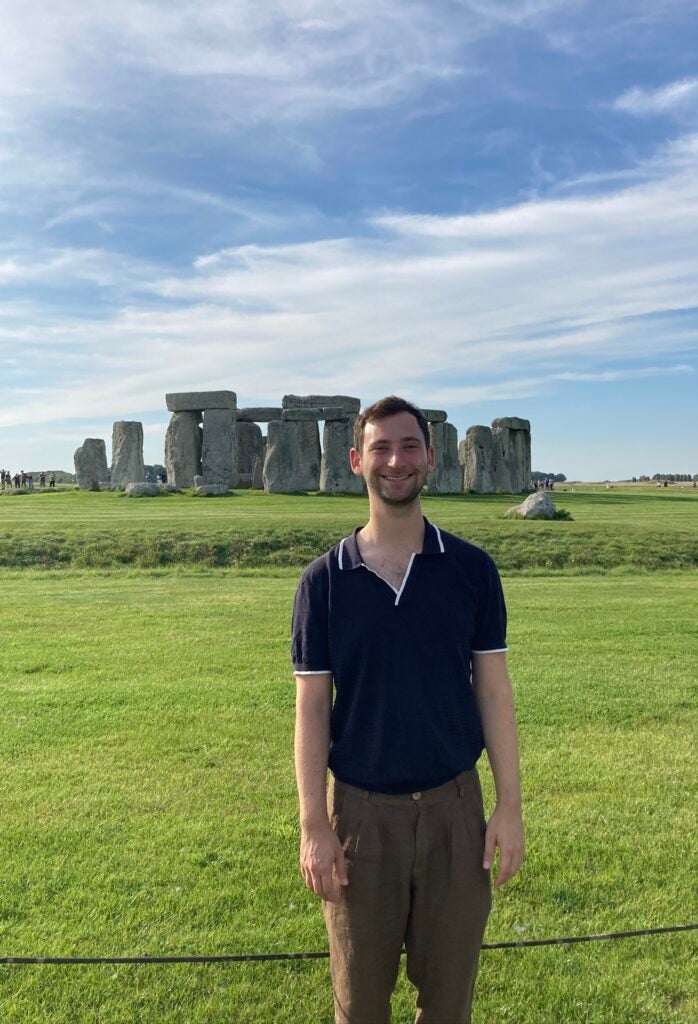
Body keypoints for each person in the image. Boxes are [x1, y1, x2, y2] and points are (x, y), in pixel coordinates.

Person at [292, 396, 524, 1024]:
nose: (396, 461)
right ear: (355, 460)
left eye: (409, 446)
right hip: (361, 817)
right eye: (380, 448)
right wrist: (314, 825)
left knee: (448, 1005)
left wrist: (509, 806)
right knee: (360, 1005)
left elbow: (493, 690)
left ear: (431, 457)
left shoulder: (473, 570)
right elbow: (312, 709)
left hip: (455, 812)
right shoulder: (323, 581)